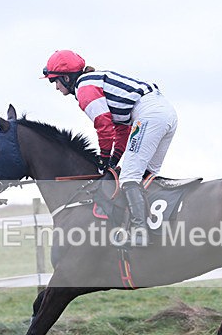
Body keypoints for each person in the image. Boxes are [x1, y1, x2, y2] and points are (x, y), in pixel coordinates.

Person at [41, 49, 178, 246]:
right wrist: (113, 161)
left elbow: (103, 126)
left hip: (149, 114)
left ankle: (140, 233)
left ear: (66, 77)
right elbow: (121, 131)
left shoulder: (84, 89)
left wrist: (103, 159)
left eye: (54, 81)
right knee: (147, 174)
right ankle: (154, 226)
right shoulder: (94, 82)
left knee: (130, 177)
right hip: (164, 112)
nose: (55, 87)